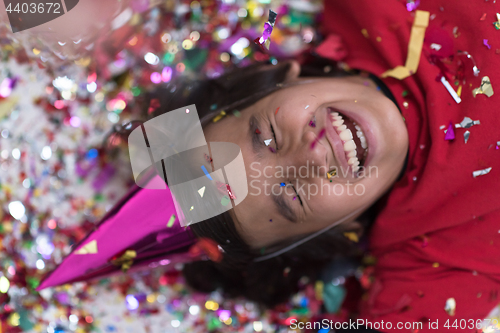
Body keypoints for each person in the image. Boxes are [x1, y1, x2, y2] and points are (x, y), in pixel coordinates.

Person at [40, 0, 500, 332]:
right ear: (344, 229)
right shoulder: (431, 258)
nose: (310, 156)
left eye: (266, 136)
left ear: (284, 78)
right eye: (292, 195)